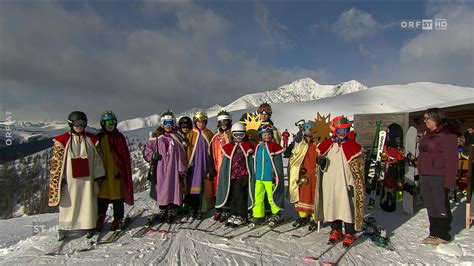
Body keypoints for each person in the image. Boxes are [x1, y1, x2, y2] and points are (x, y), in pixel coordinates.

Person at [48, 111, 105, 240]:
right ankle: (65, 227)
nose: (79, 126)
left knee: (87, 201)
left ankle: (89, 225)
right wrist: (59, 178)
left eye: (82, 123)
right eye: (77, 123)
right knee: (68, 201)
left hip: (87, 179)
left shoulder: (92, 139)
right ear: (71, 124)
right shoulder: (62, 140)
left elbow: (97, 158)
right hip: (69, 179)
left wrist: (99, 174)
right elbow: (56, 162)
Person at [315, 116, 365, 247]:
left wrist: (353, 183)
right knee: (332, 206)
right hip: (330, 182)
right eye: (339, 131)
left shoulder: (353, 147)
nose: (343, 133)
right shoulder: (328, 145)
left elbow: (358, 170)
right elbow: (322, 168)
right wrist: (321, 163)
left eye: (346, 130)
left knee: (347, 207)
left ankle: (349, 232)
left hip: (345, 183)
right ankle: (335, 230)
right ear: (334, 131)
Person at [418, 108, 459, 245]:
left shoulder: (447, 135)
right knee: (430, 204)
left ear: (435, 119)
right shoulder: (427, 134)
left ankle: (443, 234)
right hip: (425, 174)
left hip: (439, 175)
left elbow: (452, 160)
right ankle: (434, 233)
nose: (425, 121)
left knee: (440, 204)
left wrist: (450, 182)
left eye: (427, 118)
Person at [143, 110, 188, 223]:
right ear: (162, 124)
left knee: (173, 188)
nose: (168, 126)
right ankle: (163, 209)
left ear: (174, 123)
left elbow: (182, 155)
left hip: (173, 169)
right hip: (161, 169)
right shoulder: (157, 137)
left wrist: (182, 169)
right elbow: (147, 149)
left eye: (170, 123)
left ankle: (172, 209)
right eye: (166, 123)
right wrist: (152, 155)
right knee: (162, 189)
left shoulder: (177, 138)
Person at [95, 111, 134, 231]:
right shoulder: (99, 138)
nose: (110, 125)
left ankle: (118, 218)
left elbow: (125, 156)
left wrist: (122, 171)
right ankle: (100, 217)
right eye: (107, 123)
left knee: (118, 199)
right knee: (102, 199)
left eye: (112, 122)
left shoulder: (119, 137)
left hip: (116, 174)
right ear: (103, 124)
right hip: (103, 175)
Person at [215, 122, 254, 227]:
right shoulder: (229, 147)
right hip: (231, 176)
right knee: (232, 196)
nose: (238, 137)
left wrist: (248, 176)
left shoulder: (248, 145)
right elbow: (226, 164)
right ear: (232, 135)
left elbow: (250, 162)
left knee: (240, 196)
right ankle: (233, 213)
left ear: (244, 134)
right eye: (236, 135)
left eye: (241, 135)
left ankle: (242, 215)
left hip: (242, 176)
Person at [251, 124, 285, 226]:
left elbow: (277, 164)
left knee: (272, 197)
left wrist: (276, 176)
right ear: (261, 135)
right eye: (265, 134)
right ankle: (258, 215)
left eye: (269, 134)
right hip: (259, 178)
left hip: (269, 177)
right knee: (258, 197)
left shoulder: (274, 146)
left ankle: (276, 214)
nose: (267, 136)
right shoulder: (258, 147)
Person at [288, 121, 319, 230]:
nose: (308, 138)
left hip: (315, 175)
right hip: (302, 174)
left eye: (310, 136)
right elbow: (295, 158)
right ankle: (303, 216)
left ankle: (316, 218)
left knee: (314, 196)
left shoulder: (318, 146)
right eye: (306, 136)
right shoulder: (301, 145)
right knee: (301, 195)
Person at [183, 112, 214, 219]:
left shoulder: (209, 133)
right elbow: (186, 149)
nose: (201, 124)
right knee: (193, 187)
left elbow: (212, 149)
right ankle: (194, 208)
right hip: (194, 165)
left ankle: (203, 208)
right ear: (195, 122)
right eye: (199, 122)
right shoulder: (191, 133)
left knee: (204, 186)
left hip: (205, 163)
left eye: (203, 122)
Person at [209, 110, 233, 222]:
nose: (223, 124)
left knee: (226, 187)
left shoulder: (231, 134)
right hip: (217, 166)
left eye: (225, 121)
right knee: (217, 188)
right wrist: (211, 166)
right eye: (221, 122)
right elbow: (211, 151)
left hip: (227, 167)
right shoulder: (216, 136)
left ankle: (226, 209)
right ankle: (219, 208)